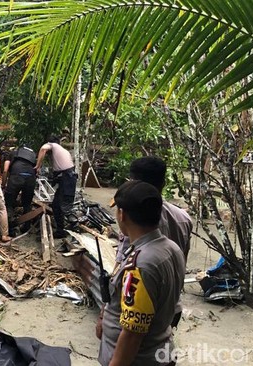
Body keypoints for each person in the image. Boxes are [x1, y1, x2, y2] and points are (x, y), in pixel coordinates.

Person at [98, 180, 185, 365]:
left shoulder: (140, 265)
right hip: (160, 348)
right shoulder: (172, 248)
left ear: (122, 214)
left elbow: (132, 334)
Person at [116, 156, 193, 328]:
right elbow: (182, 262)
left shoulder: (134, 222)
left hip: (136, 305)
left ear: (133, 184)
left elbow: (122, 268)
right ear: (163, 183)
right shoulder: (183, 218)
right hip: (172, 304)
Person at [34, 135, 77, 238]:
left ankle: (76, 229)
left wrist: (37, 166)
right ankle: (60, 231)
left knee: (66, 207)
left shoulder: (52, 145)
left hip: (67, 178)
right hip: (67, 178)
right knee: (56, 206)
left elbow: (43, 149)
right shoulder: (63, 151)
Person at [2, 146, 37, 237]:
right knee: (27, 204)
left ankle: (11, 230)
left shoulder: (10, 154)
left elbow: (5, 170)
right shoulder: (32, 156)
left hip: (16, 176)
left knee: (9, 203)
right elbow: (37, 170)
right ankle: (26, 227)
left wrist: (3, 184)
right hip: (30, 177)